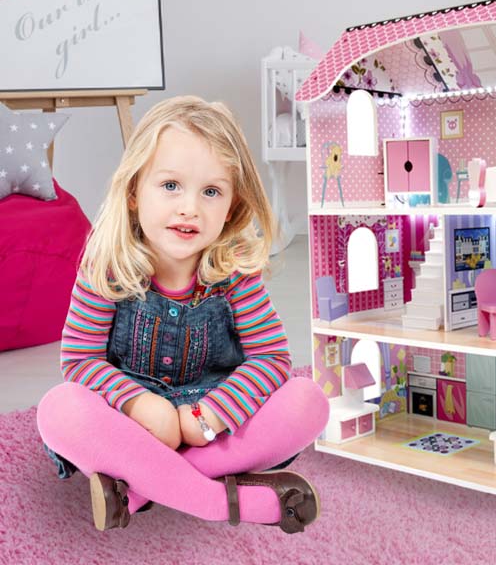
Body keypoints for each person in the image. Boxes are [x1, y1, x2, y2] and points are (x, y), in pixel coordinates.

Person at [36, 95, 329, 533]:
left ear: (230, 208)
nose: (189, 207)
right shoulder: (106, 265)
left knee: (308, 401)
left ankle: (139, 491)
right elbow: (81, 361)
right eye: (171, 185)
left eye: (211, 192)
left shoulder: (235, 272)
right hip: (132, 423)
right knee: (58, 409)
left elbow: (271, 359)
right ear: (134, 192)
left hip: (211, 419)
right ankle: (215, 501)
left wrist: (210, 415)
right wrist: (140, 404)